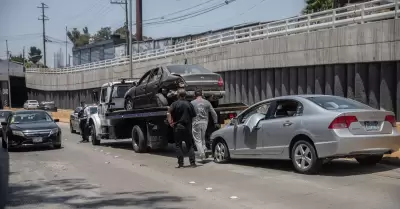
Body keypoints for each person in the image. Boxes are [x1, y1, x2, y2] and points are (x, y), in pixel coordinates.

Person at [167, 88, 197, 168]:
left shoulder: (174, 104)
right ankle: (193, 163)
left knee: (178, 145)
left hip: (178, 127)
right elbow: (194, 116)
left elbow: (169, 112)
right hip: (187, 127)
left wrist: (170, 122)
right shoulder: (189, 104)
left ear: (178, 95)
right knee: (190, 145)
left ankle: (181, 164)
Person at [191, 89, 219, 161]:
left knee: (197, 140)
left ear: (195, 95)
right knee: (202, 138)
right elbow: (214, 113)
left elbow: (189, 114)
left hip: (196, 122)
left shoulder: (192, 103)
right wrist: (215, 122)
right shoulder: (207, 102)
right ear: (202, 95)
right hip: (204, 123)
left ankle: (202, 155)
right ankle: (205, 149)